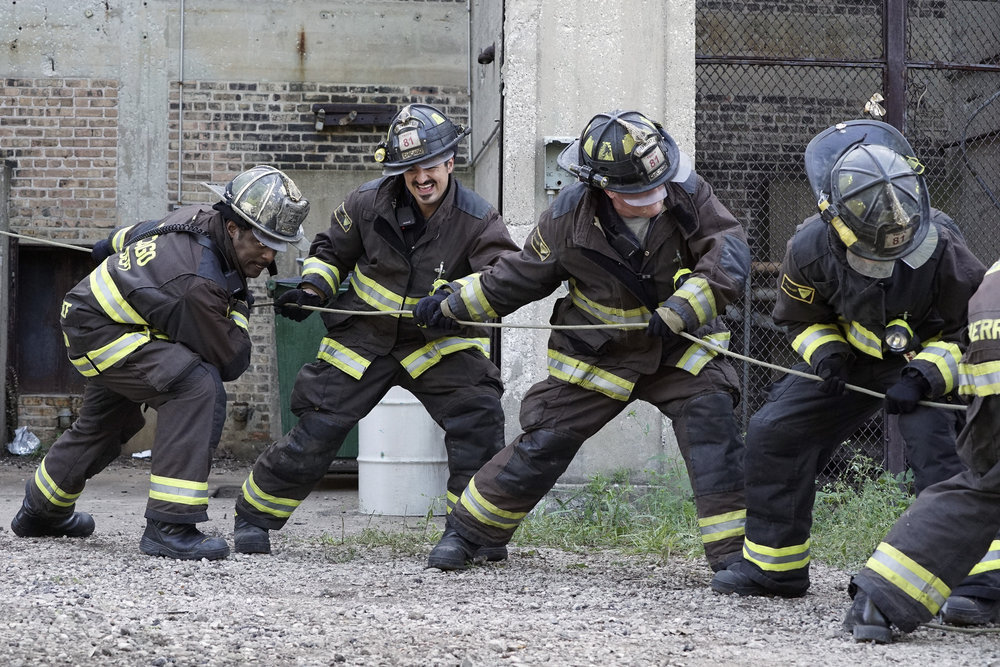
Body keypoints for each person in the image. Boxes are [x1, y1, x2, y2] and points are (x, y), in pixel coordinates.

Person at [415, 109, 751, 572]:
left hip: (681, 346)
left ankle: (735, 557)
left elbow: (728, 249)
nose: (658, 198)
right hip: (600, 352)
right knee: (543, 442)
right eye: (640, 193)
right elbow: (517, 277)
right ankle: (467, 535)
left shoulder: (686, 190)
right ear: (606, 190)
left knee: (712, 423)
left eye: (660, 184)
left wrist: (684, 308)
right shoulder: (567, 218)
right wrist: (453, 303)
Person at [711, 120, 986, 599]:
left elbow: (971, 333)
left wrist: (922, 377)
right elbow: (800, 318)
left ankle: (968, 583)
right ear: (835, 219)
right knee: (775, 431)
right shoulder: (809, 246)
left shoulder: (942, 244)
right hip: (852, 359)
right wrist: (829, 355)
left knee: (940, 455)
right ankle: (776, 567)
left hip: (924, 368)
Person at [232, 104, 518, 557]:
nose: (420, 177)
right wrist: (312, 288)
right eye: (409, 169)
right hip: (363, 341)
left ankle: (471, 536)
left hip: (436, 343)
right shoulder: (367, 203)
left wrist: (456, 304)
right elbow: (330, 251)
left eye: (429, 165)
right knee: (319, 428)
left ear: (449, 161)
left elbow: (503, 276)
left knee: (478, 419)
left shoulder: (478, 219)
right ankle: (253, 516)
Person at [10, 165, 310, 561]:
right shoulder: (197, 285)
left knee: (106, 423)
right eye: (264, 241)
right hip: (106, 333)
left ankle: (39, 512)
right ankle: (170, 526)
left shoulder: (197, 215)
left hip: (100, 320)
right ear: (234, 226)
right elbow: (232, 359)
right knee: (196, 386)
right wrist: (240, 304)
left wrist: (107, 246)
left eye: (279, 245)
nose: (270, 255)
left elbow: (136, 233)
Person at [843, 258, 1000, 642]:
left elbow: (959, 342)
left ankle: (880, 597)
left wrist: (920, 378)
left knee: (987, 484)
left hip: (988, 323)